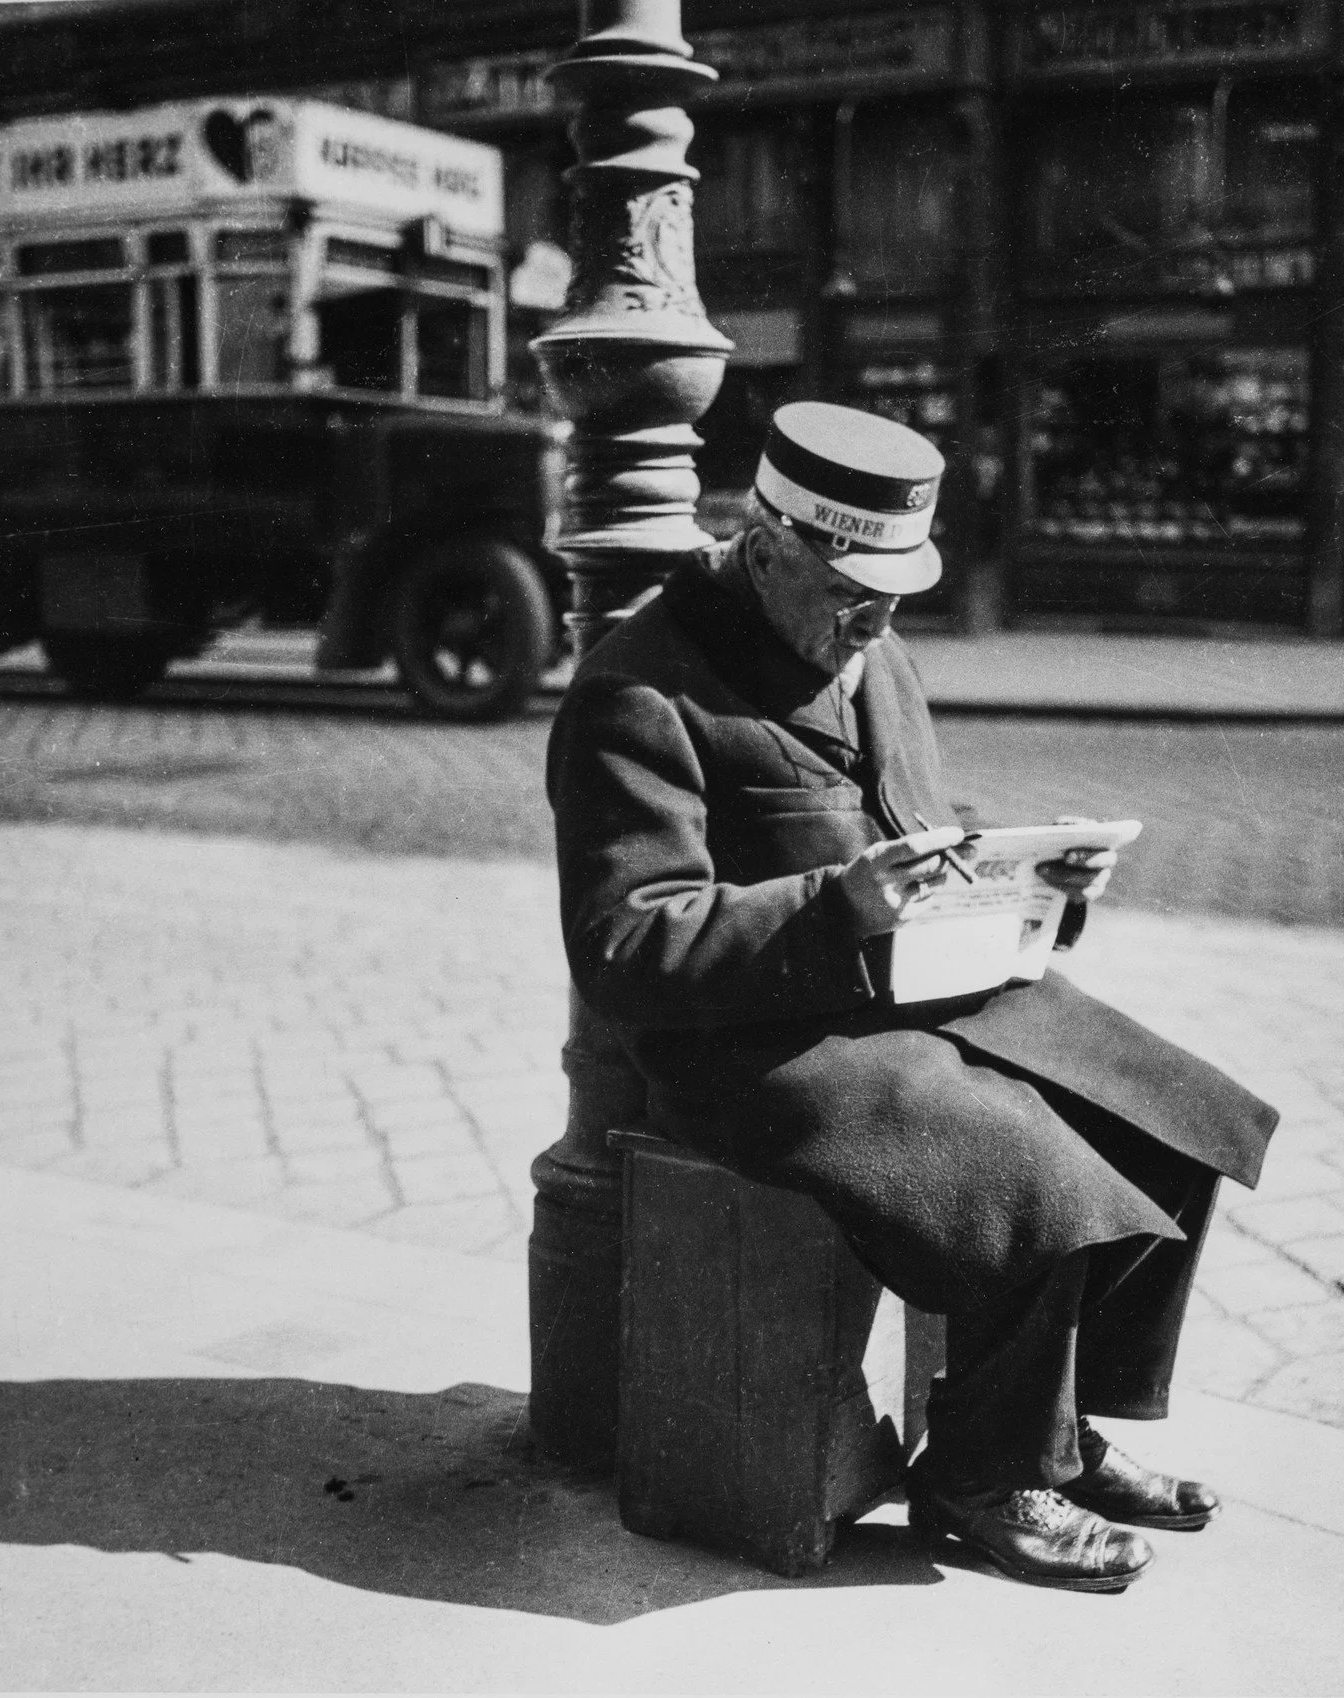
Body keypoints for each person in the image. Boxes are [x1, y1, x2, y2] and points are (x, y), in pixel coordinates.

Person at [546, 402, 1278, 1593]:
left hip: (903, 984)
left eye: (895, 594)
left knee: (1172, 1116)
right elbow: (626, 946)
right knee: (1028, 1168)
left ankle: (1059, 1434)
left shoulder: (872, 648)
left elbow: (908, 830)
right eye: (851, 591)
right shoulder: (639, 689)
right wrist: (838, 909)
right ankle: (982, 1483)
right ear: (766, 542)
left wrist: (1032, 872)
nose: (877, 623)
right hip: (749, 1046)